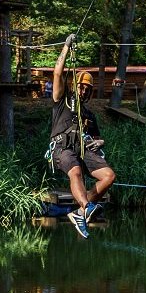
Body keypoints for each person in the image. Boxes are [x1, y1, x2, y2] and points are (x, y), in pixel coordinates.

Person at [49, 37, 117, 239]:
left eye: (88, 89)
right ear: (75, 85)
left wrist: (100, 141)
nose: (84, 90)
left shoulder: (88, 115)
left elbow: (97, 136)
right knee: (76, 171)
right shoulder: (62, 101)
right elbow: (57, 73)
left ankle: (81, 212)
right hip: (62, 148)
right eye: (81, 87)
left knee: (109, 176)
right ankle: (87, 207)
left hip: (84, 149)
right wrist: (66, 46)